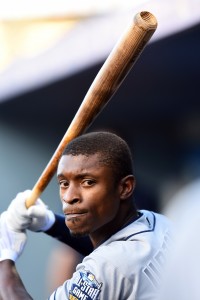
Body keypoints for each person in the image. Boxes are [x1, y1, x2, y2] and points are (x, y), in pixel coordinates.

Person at [0, 131, 173, 299]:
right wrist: (49, 223)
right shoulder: (159, 222)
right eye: (64, 183)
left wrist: (4, 260)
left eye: (88, 182)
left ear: (125, 187)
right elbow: (109, 248)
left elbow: (112, 262)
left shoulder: (106, 267)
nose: (69, 197)